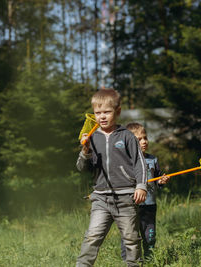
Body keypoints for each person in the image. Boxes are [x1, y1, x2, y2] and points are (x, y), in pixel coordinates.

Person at [76, 88, 147, 267]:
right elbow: (81, 168)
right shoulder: (92, 138)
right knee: (92, 237)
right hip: (101, 197)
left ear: (118, 111)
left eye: (107, 112)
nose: (102, 116)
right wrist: (85, 151)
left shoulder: (127, 136)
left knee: (131, 239)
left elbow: (140, 163)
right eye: (98, 112)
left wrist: (141, 186)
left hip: (126, 197)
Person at [121, 123, 170, 260]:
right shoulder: (126, 162)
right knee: (130, 236)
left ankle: (150, 260)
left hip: (149, 205)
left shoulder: (153, 159)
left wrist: (161, 181)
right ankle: (131, 261)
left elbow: (157, 178)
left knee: (150, 236)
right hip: (131, 205)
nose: (144, 142)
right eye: (139, 139)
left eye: (145, 138)